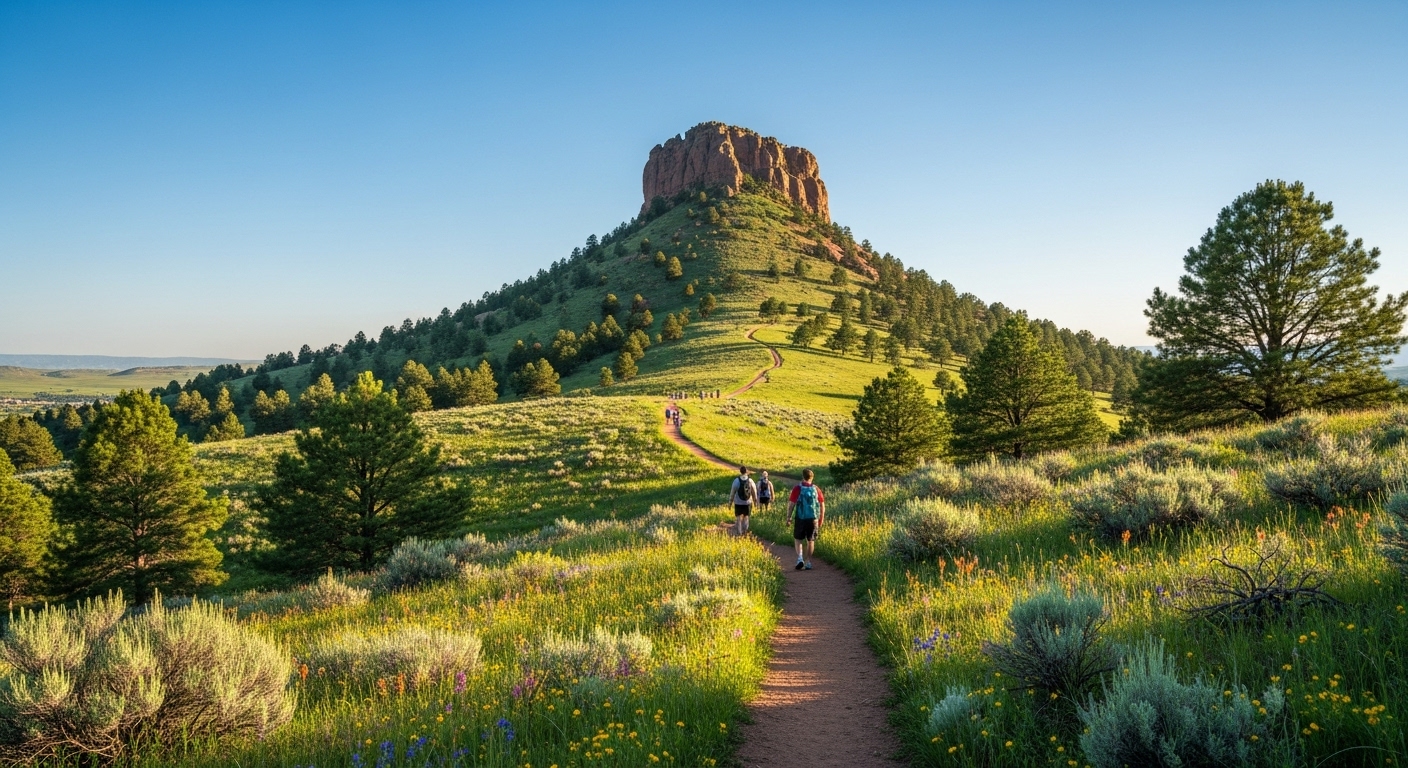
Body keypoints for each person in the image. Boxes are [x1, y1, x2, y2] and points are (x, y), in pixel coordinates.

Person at [786, 468, 825, 570]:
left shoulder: (797, 488)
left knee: (798, 539)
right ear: (812, 477)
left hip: (800, 518)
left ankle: (800, 558)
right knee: (811, 540)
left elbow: (791, 504)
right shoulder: (816, 489)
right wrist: (821, 518)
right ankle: (808, 561)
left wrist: (788, 517)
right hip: (813, 519)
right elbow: (822, 505)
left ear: (803, 476)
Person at [730, 466, 757, 535]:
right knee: (746, 516)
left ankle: (739, 532)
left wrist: (730, 503)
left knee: (738, 517)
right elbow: (754, 492)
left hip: (738, 502)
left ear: (740, 471)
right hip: (748, 502)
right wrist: (755, 502)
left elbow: (732, 493)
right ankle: (745, 530)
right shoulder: (750, 481)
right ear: (746, 471)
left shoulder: (736, 481)